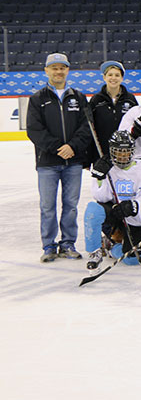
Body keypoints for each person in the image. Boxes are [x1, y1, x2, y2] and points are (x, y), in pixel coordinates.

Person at [27, 53, 91, 262]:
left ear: (68, 70)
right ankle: (49, 246)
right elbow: (34, 130)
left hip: (72, 162)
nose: (58, 71)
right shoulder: (38, 98)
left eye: (62, 67)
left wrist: (72, 147)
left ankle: (68, 244)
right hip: (47, 163)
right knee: (47, 206)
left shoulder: (78, 97)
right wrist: (58, 148)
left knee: (71, 205)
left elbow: (86, 127)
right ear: (46, 70)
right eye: (54, 68)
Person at [84, 131, 141, 270]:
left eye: (126, 151)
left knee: (132, 259)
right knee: (93, 210)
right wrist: (100, 178)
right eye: (119, 151)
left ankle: (112, 247)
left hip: (135, 216)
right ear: (112, 151)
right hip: (114, 213)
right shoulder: (106, 166)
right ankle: (95, 252)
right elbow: (101, 198)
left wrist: (134, 206)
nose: (123, 155)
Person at [88, 60, 137, 163]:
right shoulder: (96, 100)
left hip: (125, 154)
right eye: (110, 75)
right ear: (104, 77)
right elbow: (90, 129)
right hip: (102, 155)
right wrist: (90, 158)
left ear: (122, 78)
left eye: (117, 75)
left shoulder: (130, 99)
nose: (113, 78)